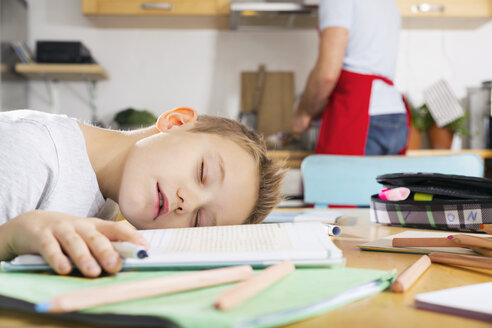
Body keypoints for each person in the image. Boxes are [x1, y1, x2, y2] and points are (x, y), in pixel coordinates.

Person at [0, 107, 284, 277]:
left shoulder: (106, 202)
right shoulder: (31, 153)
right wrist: (11, 237)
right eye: (202, 173)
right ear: (176, 123)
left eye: (199, 221)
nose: (188, 203)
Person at [291, 0, 409, 156]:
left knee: (341, 180)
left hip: (362, 117)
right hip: (395, 116)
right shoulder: (389, 3)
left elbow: (327, 75)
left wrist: (303, 113)